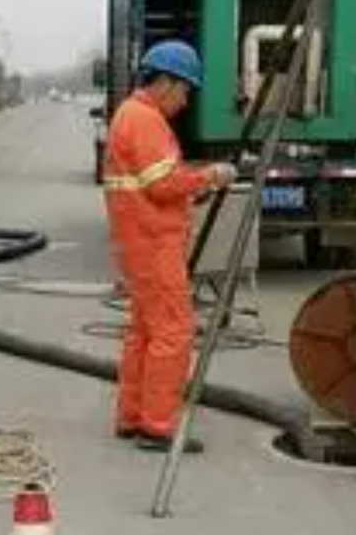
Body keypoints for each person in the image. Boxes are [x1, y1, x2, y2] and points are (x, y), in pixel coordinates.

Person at [102, 39, 237, 453]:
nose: (186, 101)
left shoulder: (131, 114)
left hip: (139, 242)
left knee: (144, 332)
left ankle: (132, 416)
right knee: (173, 333)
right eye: (186, 91)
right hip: (155, 243)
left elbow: (151, 182)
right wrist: (210, 176)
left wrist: (188, 185)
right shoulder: (146, 120)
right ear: (166, 82)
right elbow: (163, 185)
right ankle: (158, 426)